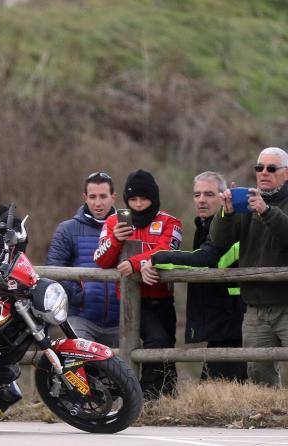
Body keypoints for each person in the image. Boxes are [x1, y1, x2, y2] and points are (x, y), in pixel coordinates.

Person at [142, 171, 246, 382]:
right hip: (221, 316)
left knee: (221, 388)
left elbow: (203, 259)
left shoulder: (228, 223)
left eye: (208, 194)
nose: (201, 200)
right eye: (197, 194)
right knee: (215, 386)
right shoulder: (205, 224)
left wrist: (155, 258)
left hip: (233, 315)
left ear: (224, 196)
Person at [93, 170, 182, 400]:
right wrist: (116, 240)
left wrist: (138, 263)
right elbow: (101, 260)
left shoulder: (169, 222)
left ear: (154, 198)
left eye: (144, 199)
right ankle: (145, 397)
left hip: (162, 298)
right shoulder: (114, 222)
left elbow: (168, 250)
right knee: (155, 341)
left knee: (166, 346)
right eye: (133, 200)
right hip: (129, 300)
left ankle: (168, 396)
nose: (139, 204)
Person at [208, 147, 288, 387]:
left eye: (271, 168)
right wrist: (226, 213)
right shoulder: (247, 202)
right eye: (259, 167)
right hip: (255, 307)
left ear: (286, 173)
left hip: (287, 303)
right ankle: (269, 419)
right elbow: (219, 241)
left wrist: (266, 211)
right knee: (259, 375)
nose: (264, 173)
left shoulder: (263, 206)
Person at [46, 171, 119, 347]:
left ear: (113, 197)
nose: (98, 203)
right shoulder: (67, 229)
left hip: (121, 319)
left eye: (103, 196)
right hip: (81, 317)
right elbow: (53, 270)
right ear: (85, 197)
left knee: (123, 372)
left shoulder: (126, 228)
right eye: (92, 197)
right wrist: (78, 295)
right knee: (78, 366)